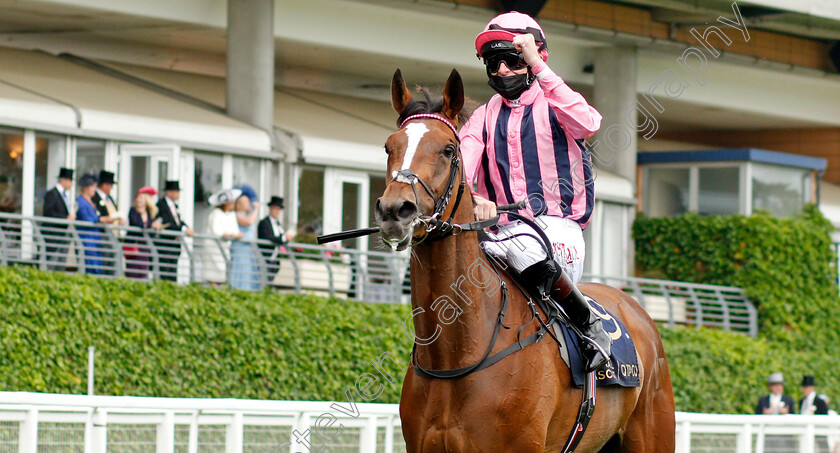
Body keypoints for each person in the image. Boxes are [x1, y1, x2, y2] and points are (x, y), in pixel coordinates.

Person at [459, 12, 607, 371]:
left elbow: (588, 123)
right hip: (500, 232)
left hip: (558, 231)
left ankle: (590, 326)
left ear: (536, 56)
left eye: (513, 59)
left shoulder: (556, 100)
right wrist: (471, 198)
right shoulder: (483, 115)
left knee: (525, 248)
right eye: (494, 63)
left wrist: (538, 66)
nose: (504, 71)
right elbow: (461, 166)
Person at [76, 174, 117, 274]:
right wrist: (101, 219)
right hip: (87, 238)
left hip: (96, 239)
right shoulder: (81, 202)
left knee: (98, 266)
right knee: (90, 266)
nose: (95, 189)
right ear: (86, 188)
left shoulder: (91, 202)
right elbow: (86, 218)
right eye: (93, 186)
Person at [154, 180, 194, 281]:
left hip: (174, 244)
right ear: (169, 192)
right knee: (165, 271)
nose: (177, 194)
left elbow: (178, 221)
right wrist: (184, 229)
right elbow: (167, 223)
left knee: (172, 271)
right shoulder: (161, 205)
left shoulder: (174, 206)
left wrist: (186, 227)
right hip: (165, 244)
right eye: (175, 191)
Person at [204, 188, 243, 285]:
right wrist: (232, 235)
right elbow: (218, 232)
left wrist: (233, 235)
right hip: (214, 249)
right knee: (213, 274)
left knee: (223, 274)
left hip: (225, 249)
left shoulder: (231, 215)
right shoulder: (216, 214)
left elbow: (235, 231)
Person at [125, 186, 163, 279]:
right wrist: (148, 227)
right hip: (135, 245)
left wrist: (156, 225)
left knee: (143, 271)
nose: (139, 200)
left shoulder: (150, 213)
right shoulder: (133, 211)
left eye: (141, 197)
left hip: (145, 246)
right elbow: (135, 223)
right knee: (133, 271)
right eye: (138, 197)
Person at [42, 167, 76, 269]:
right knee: (52, 263)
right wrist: (65, 218)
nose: (71, 184)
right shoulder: (52, 194)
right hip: (53, 236)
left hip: (63, 234)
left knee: (60, 263)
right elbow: (48, 212)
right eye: (70, 181)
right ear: (63, 180)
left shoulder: (63, 195)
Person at [230, 189, 260, 290]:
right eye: (244, 202)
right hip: (240, 247)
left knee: (249, 271)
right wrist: (256, 209)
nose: (248, 204)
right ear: (238, 205)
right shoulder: (237, 214)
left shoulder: (246, 214)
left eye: (248, 202)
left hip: (248, 249)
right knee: (241, 270)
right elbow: (248, 222)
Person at [257, 196, 288, 281]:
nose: (277, 211)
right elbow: (268, 237)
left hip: (275, 259)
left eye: (278, 209)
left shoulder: (278, 224)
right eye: (275, 208)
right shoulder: (264, 223)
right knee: (265, 279)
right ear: (270, 209)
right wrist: (284, 238)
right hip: (266, 257)